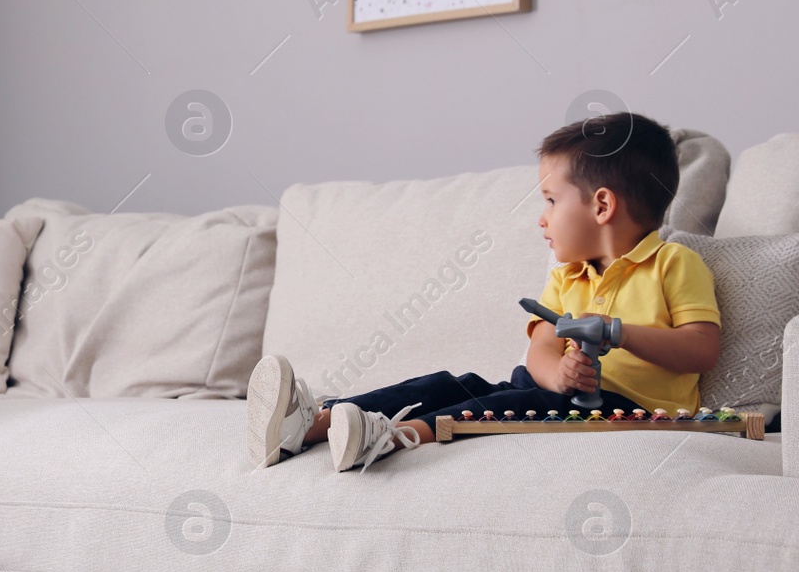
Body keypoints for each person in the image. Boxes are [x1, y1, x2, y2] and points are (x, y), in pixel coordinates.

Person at [246, 111, 722, 473]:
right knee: (452, 384)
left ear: (601, 205)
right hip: (553, 393)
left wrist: (616, 333)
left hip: (633, 411)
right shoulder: (567, 275)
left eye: (551, 201)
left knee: (499, 407)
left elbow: (701, 348)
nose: (542, 216)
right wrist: (560, 376)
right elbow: (540, 348)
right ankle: (314, 423)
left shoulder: (674, 264)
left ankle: (391, 437)